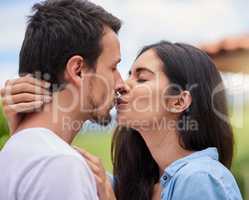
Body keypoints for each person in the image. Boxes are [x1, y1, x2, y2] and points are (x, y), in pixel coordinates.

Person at [2, 41, 243, 200]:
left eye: (141, 78)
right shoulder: (128, 184)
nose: (121, 85)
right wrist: (23, 128)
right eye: (128, 74)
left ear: (178, 102)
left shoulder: (200, 179)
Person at [0, 0, 124, 200]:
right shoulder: (61, 164)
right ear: (78, 70)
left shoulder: (15, 151)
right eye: (113, 67)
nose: (120, 83)